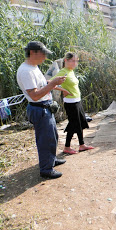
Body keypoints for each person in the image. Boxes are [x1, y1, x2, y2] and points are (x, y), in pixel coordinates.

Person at [17, 41, 67, 179]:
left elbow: (43, 84)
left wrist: (57, 86)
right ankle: (46, 169)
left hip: (45, 107)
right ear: (33, 52)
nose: (45, 58)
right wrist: (52, 83)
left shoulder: (34, 67)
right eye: (43, 54)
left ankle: (51, 160)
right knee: (45, 140)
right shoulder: (26, 71)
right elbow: (34, 94)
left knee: (52, 137)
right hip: (39, 109)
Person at [51, 52, 94, 154]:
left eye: (76, 61)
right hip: (70, 103)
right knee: (73, 123)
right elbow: (50, 83)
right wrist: (63, 91)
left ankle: (82, 145)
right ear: (66, 60)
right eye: (73, 61)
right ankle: (67, 147)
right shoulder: (63, 71)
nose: (75, 63)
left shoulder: (71, 71)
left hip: (76, 101)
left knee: (80, 122)